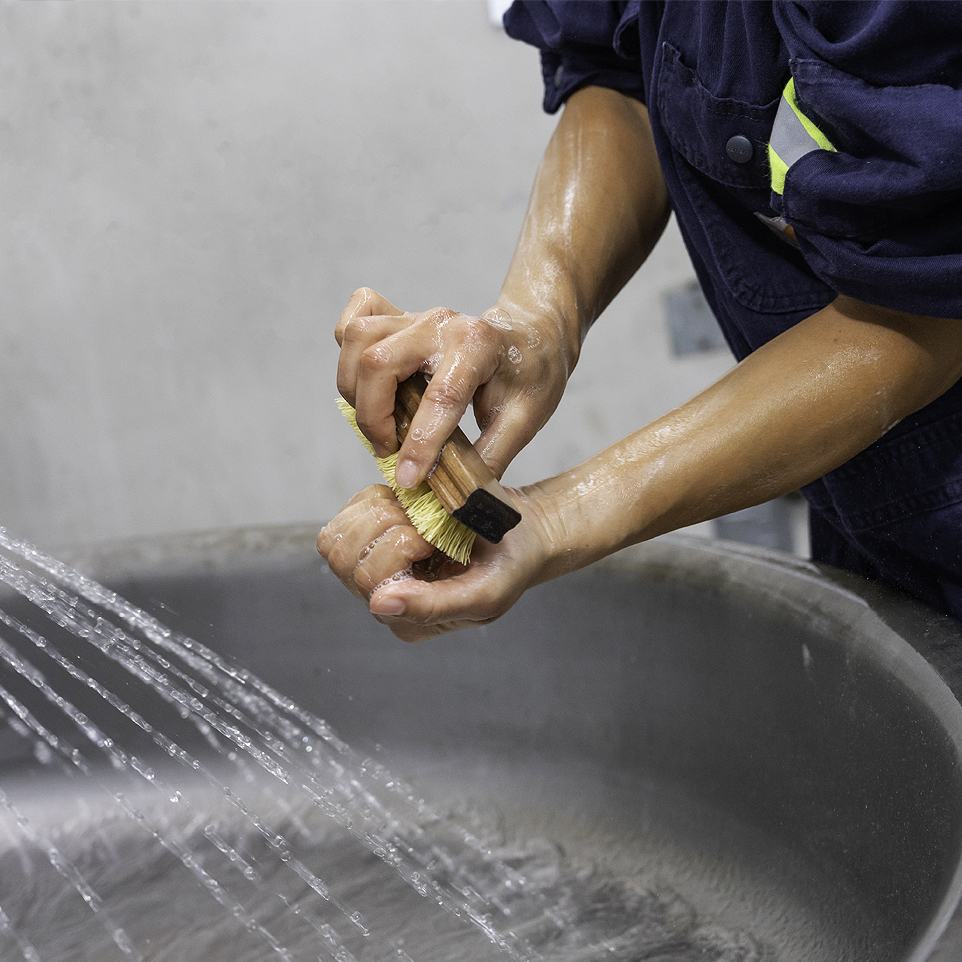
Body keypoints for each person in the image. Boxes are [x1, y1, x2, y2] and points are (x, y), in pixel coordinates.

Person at [318, 1, 962, 642]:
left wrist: (559, 517)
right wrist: (536, 319)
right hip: (866, 501)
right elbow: (625, 82)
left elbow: (930, 301)